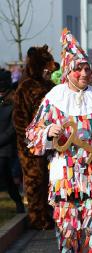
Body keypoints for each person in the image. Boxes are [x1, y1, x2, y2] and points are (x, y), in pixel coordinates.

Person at [25, 28, 92, 252]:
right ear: (67, 71)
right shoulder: (53, 100)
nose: (83, 73)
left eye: (86, 68)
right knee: (68, 235)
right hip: (65, 180)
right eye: (77, 69)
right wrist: (47, 131)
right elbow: (31, 134)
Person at [13, 45, 56, 230]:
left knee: (50, 180)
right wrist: (31, 141)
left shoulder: (51, 87)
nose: (51, 69)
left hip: (52, 143)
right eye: (46, 65)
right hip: (30, 145)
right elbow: (19, 119)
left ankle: (49, 214)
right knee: (35, 181)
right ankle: (37, 217)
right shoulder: (25, 87)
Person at [0, 70, 25, 213]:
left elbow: (13, 128)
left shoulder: (14, 101)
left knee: (5, 174)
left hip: (6, 147)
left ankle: (18, 202)